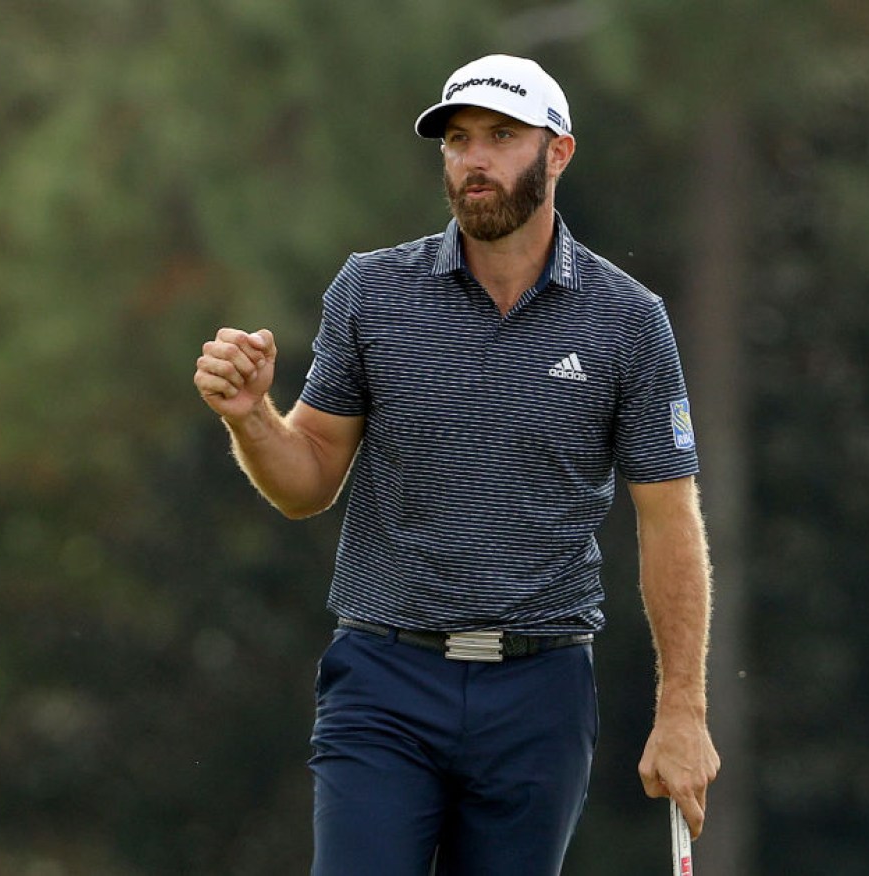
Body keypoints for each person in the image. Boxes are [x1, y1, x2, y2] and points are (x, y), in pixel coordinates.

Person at [193, 54, 719, 876]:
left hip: (539, 692)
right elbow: (307, 481)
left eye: (501, 137)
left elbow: (667, 515)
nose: (473, 159)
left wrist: (681, 709)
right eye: (458, 140)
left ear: (557, 153)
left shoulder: (627, 321)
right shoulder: (370, 292)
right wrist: (252, 416)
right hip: (384, 681)